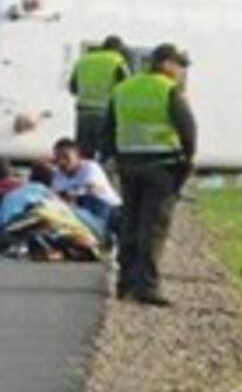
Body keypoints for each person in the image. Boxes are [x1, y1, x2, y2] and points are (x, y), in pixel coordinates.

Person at [101, 43, 196, 307]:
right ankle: (147, 286)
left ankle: (125, 283)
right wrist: (188, 159)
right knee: (153, 227)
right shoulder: (168, 90)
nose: (179, 72)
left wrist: (111, 156)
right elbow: (187, 128)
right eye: (178, 65)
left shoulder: (123, 88)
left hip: (128, 165)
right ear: (166, 63)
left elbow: (108, 127)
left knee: (130, 222)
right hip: (162, 165)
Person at [68, 36, 129, 159]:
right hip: (105, 114)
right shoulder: (117, 61)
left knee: (84, 154)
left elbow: (73, 88)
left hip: (83, 114)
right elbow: (127, 88)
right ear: (118, 49)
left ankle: (83, 176)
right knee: (106, 153)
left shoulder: (83, 60)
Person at [52, 137, 121, 242]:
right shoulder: (58, 174)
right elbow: (56, 196)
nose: (62, 162)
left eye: (66, 157)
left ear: (78, 156)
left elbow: (93, 189)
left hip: (107, 212)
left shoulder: (90, 167)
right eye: (58, 158)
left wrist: (69, 196)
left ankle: (106, 237)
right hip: (78, 211)